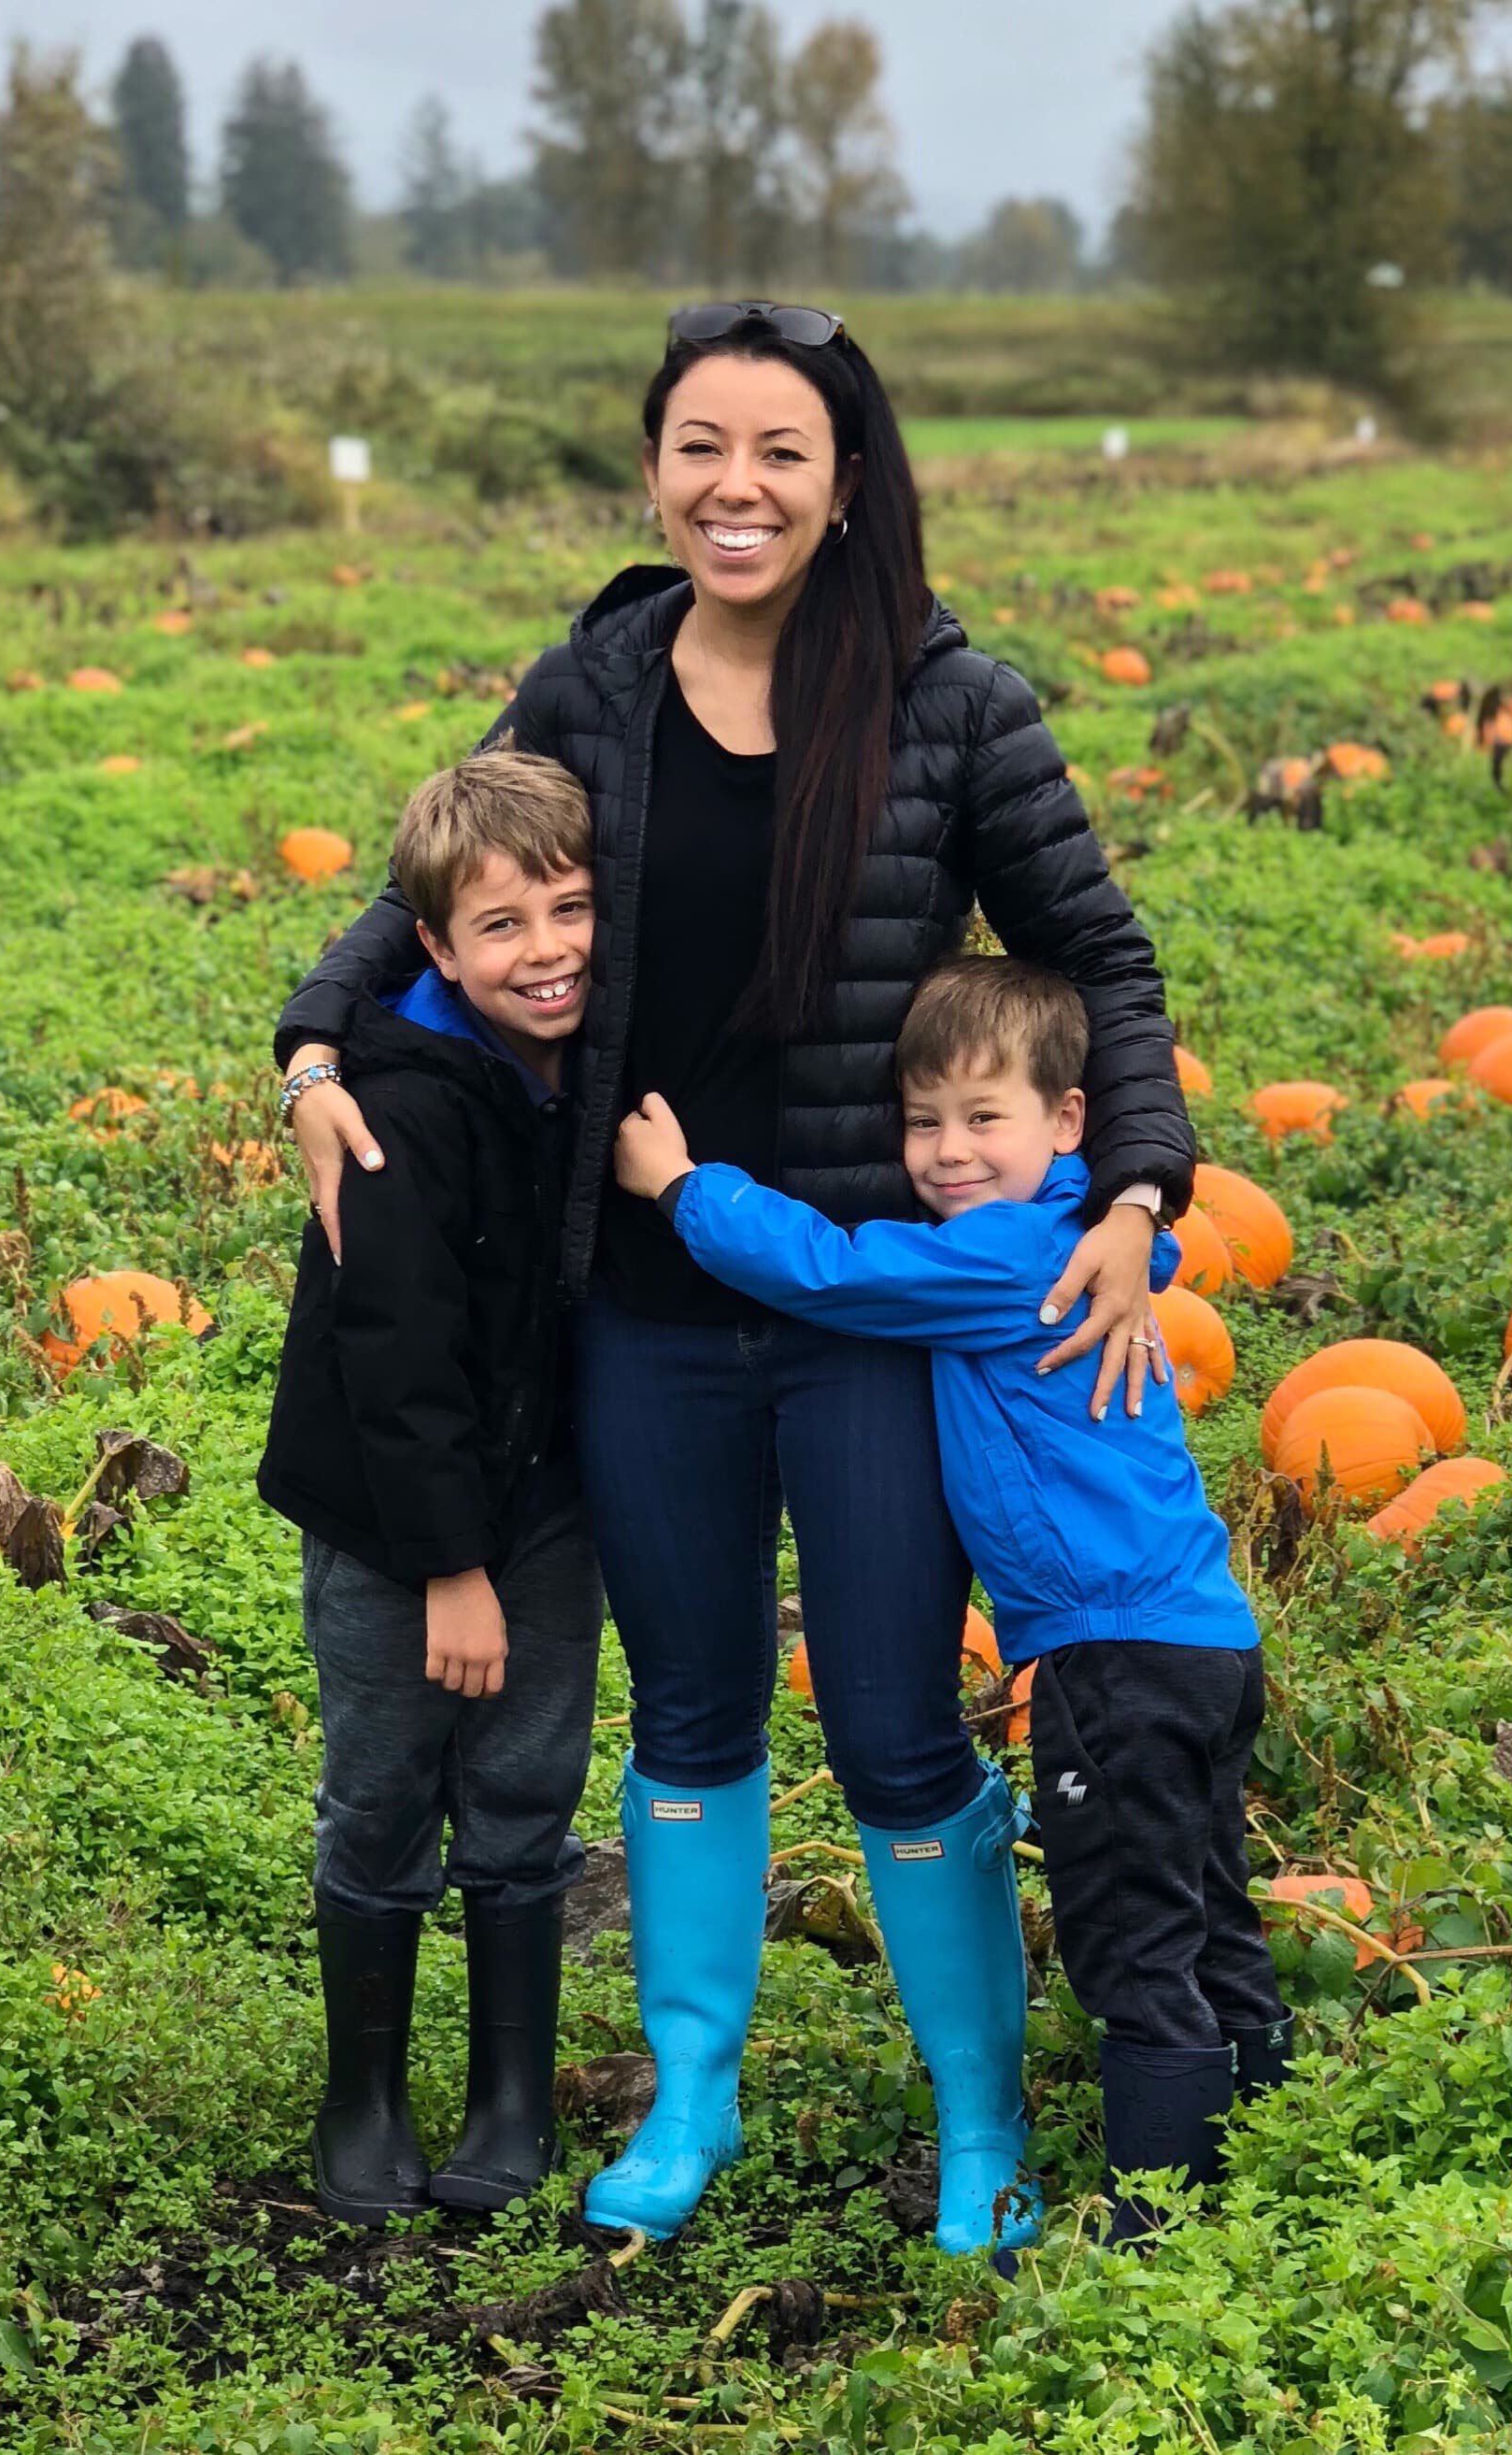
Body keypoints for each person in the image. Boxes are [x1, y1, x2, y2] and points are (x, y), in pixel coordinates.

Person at [272, 301, 1196, 2258]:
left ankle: (980, 2118)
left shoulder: (958, 705)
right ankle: (690, 2097)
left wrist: (1134, 1190)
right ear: (652, 470)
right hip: (651, 1313)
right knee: (689, 1714)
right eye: (702, 446)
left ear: (850, 482)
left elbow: (1104, 964)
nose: (739, 487)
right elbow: (416, 895)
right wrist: (312, 1046)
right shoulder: (594, 685)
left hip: (865, 1313)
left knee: (891, 1724)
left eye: (782, 451)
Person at [613, 956, 1292, 2240]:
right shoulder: (1074, 1225)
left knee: (1129, 1939)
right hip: (1201, 1640)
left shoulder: (1002, 1255)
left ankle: (1167, 2226)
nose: (948, 1151)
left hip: (1113, 1657)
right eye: (923, 1122)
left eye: (985, 1119)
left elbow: (828, 1269)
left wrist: (687, 1189)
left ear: (1069, 1124)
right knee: (1208, 1907)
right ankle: (1270, 2125)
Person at [256, 749, 606, 2226]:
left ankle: (511, 2097)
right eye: (504, 928)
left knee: (526, 1787)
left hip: (542, 1509)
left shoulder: (591, 1066)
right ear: (436, 947)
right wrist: (450, 1569)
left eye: (570, 912)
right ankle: (365, 2099)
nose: (546, 953)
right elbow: (396, 1366)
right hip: (395, 1525)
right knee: (385, 1792)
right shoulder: (397, 1102)